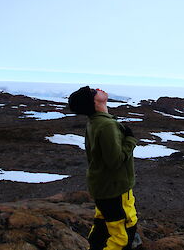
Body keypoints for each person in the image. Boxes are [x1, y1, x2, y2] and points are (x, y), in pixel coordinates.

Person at [68, 86, 139, 250]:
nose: (99, 89)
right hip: (115, 188)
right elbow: (115, 161)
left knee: (103, 228)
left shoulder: (95, 122)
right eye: (94, 91)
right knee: (123, 235)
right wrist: (130, 140)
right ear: (94, 101)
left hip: (103, 187)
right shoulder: (106, 125)